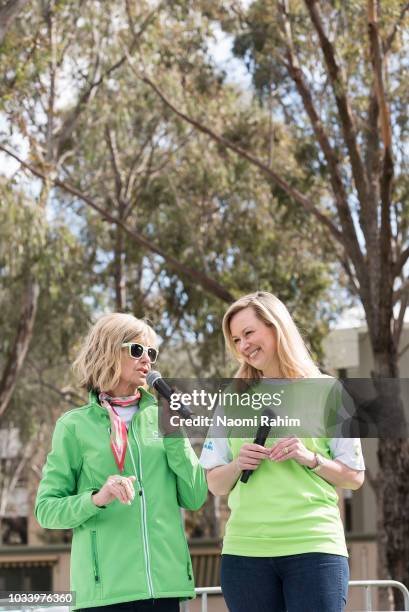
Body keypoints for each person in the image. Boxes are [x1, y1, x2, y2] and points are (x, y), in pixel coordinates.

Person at [200, 292, 365, 612]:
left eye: (249, 333)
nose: (243, 345)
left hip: (314, 548)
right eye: (236, 339)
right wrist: (237, 465)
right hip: (246, 553)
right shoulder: (232, 399)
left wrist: (311, 458)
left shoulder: (329, 391)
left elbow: (354, 477)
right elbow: (215, 484)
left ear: (276, 327)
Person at [35, 313, 207, 612]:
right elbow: (46, 510)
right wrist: (97, 498)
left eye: (151, 353)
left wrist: (174, 433)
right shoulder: (74, 426)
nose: (147, 360)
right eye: (137, 350)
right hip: (105, 595)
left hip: (164, 590)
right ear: (108, 350)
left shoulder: (163, 417)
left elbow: (194, 497)